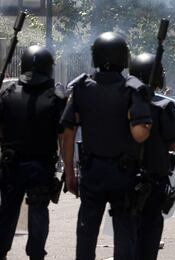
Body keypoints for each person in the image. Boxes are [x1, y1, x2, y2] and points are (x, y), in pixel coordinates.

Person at [61, 32, 152, 260]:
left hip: (92, 172)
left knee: (86, 231)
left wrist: (69, 171)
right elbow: (140, 135)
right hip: (124, 174)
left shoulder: (82, 87)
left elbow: (67, 132)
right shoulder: (133, 89)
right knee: (124, 233)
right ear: (124, 58)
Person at [0, 45, 66, 260]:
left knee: (7, 211)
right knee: (38, 211)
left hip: (11, 164)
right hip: (41, 166)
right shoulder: (55, 98)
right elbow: (64, 134)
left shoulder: (7, 94)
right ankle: (36, 255)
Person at [129, 52, 175, 260]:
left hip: (124, 176)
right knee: (149, 233)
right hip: (153, 179)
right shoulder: (162, 105)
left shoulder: (123, 101)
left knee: (126, 230)